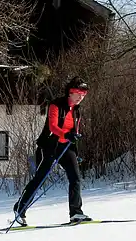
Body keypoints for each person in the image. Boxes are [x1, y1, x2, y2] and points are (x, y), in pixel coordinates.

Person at [12, 77, 91, 226]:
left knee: (75, 178)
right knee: (40, 179)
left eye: (83, 94)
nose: (81, 97)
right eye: (78, 93)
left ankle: (76, 213)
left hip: (66, 148)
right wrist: (66, 135)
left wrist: (75, 147)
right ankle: (20, 208)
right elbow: (53, 126)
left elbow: (74, 133)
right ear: (70, 92)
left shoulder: (77, 111)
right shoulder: (56, 105)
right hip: (49, 146)